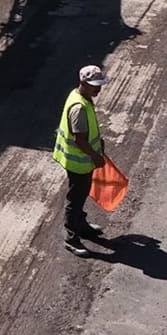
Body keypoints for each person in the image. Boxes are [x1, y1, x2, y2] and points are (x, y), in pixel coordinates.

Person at [55, 64, 109, 256]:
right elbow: (79, 140)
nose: (99, 88)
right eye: (95, 85)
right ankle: (71, 237)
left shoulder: (81, 97)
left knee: (81, 194)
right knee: (75, 198)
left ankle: (81, 224)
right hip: (78, 162)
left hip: (82, 160)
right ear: (83, 83)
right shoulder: (79, 107)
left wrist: (98, 142)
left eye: (100, 84)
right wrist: (96, 157)